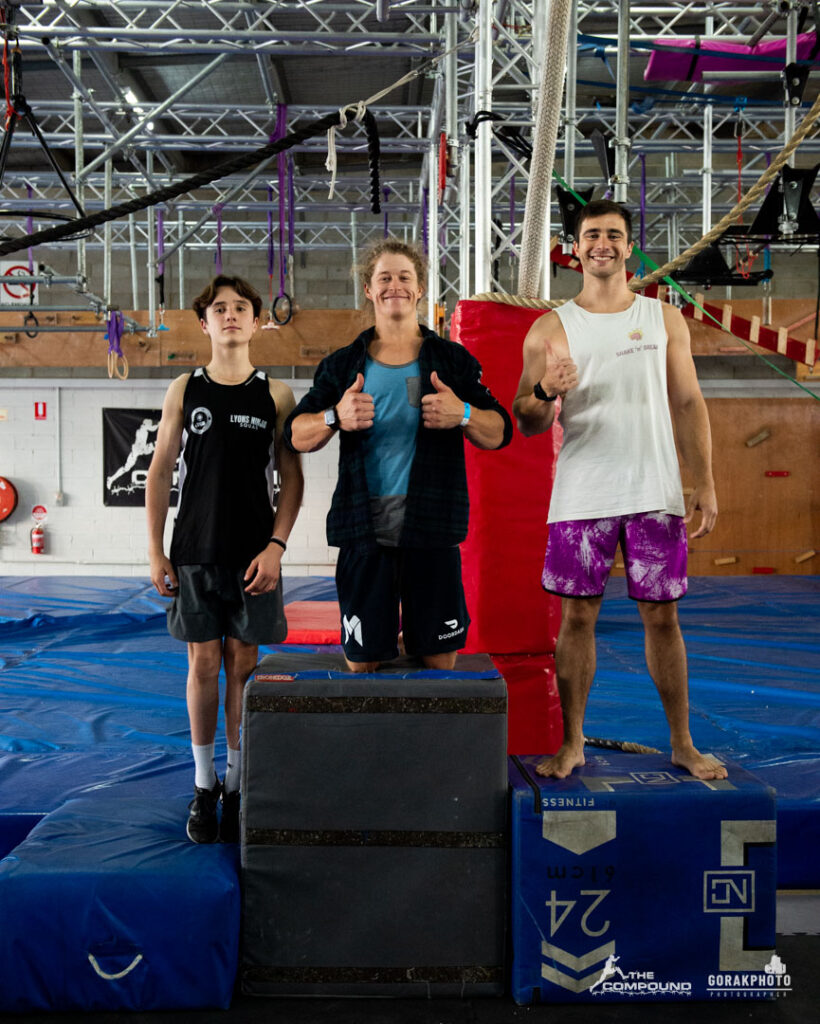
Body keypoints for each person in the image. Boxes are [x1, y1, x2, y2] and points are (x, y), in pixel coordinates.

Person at [512, 199, 726, 782]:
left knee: (663, 618)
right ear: (573, 249)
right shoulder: (550, 328)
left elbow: (687, 402)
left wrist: (703, 479)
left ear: (629, 247)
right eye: (591, 235)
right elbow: (524, 419)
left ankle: (682, 742)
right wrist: (543, 387)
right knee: (576, 618)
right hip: (583, 493)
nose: (602, 243)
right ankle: (573, 741)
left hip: (654, 491)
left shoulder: (664, 319)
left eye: (613, 235)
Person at [284, 238, 512, 672]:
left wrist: (461, 412)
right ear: (368, 290)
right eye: (384, 277)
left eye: (405, 277)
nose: (395, 286)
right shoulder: (342, 365)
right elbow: (295, 434)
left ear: (421, 287)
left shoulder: (451, 360)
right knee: (363, 661)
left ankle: (425, 740)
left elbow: (500, 431)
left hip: (433, 527)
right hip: (363, 531)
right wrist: (335, 416)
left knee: (439, 658)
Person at [146, 274, 303, 843]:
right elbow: (161, 469)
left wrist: (277, 547)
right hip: (194, 551)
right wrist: (154, 549)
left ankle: (238, 782)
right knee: (202, 665)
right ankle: (204, 783)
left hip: (253, 554)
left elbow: (291, 478)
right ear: (205, 322)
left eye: (241, 307)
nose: (230, 315)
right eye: (220, 308)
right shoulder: (184, 389)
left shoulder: (276, 393)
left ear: (258, 320)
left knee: (243, 665)